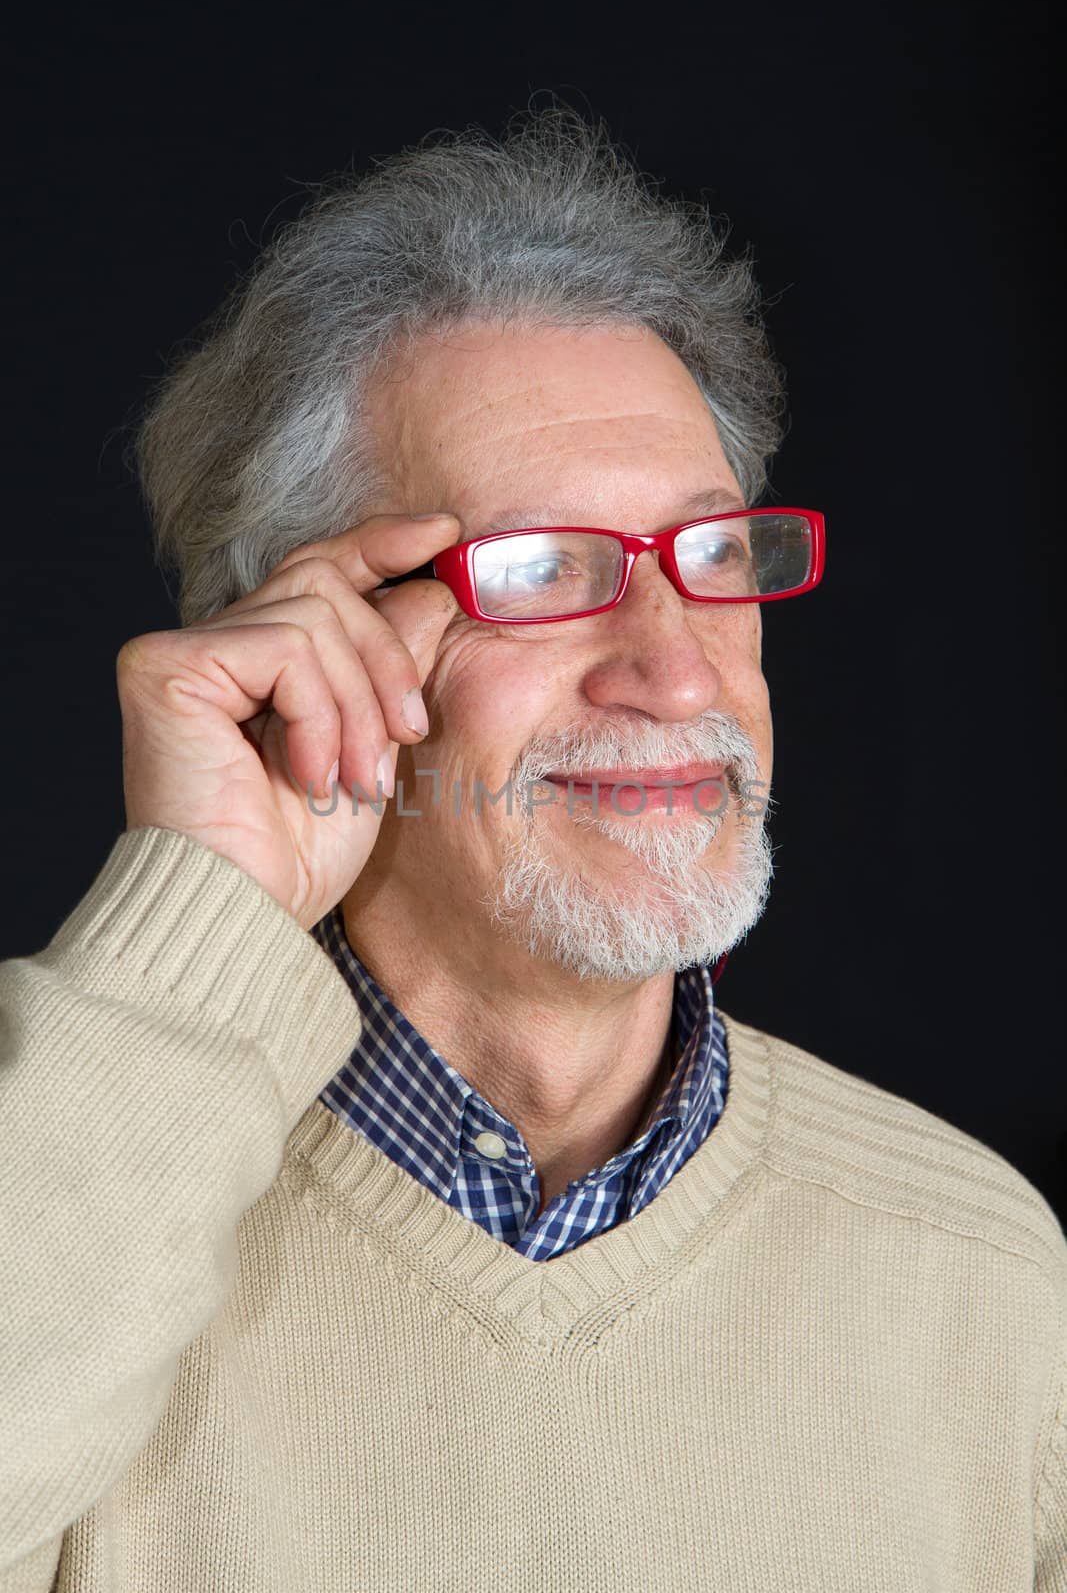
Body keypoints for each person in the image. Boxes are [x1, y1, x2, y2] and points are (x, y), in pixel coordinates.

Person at [1, 107, 1064, 1593]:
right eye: (544, 572)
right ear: (306, 631)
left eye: (710, 553)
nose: (677, 673)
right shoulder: (65, 1162)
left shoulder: (988, 1274)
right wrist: (201, 920)